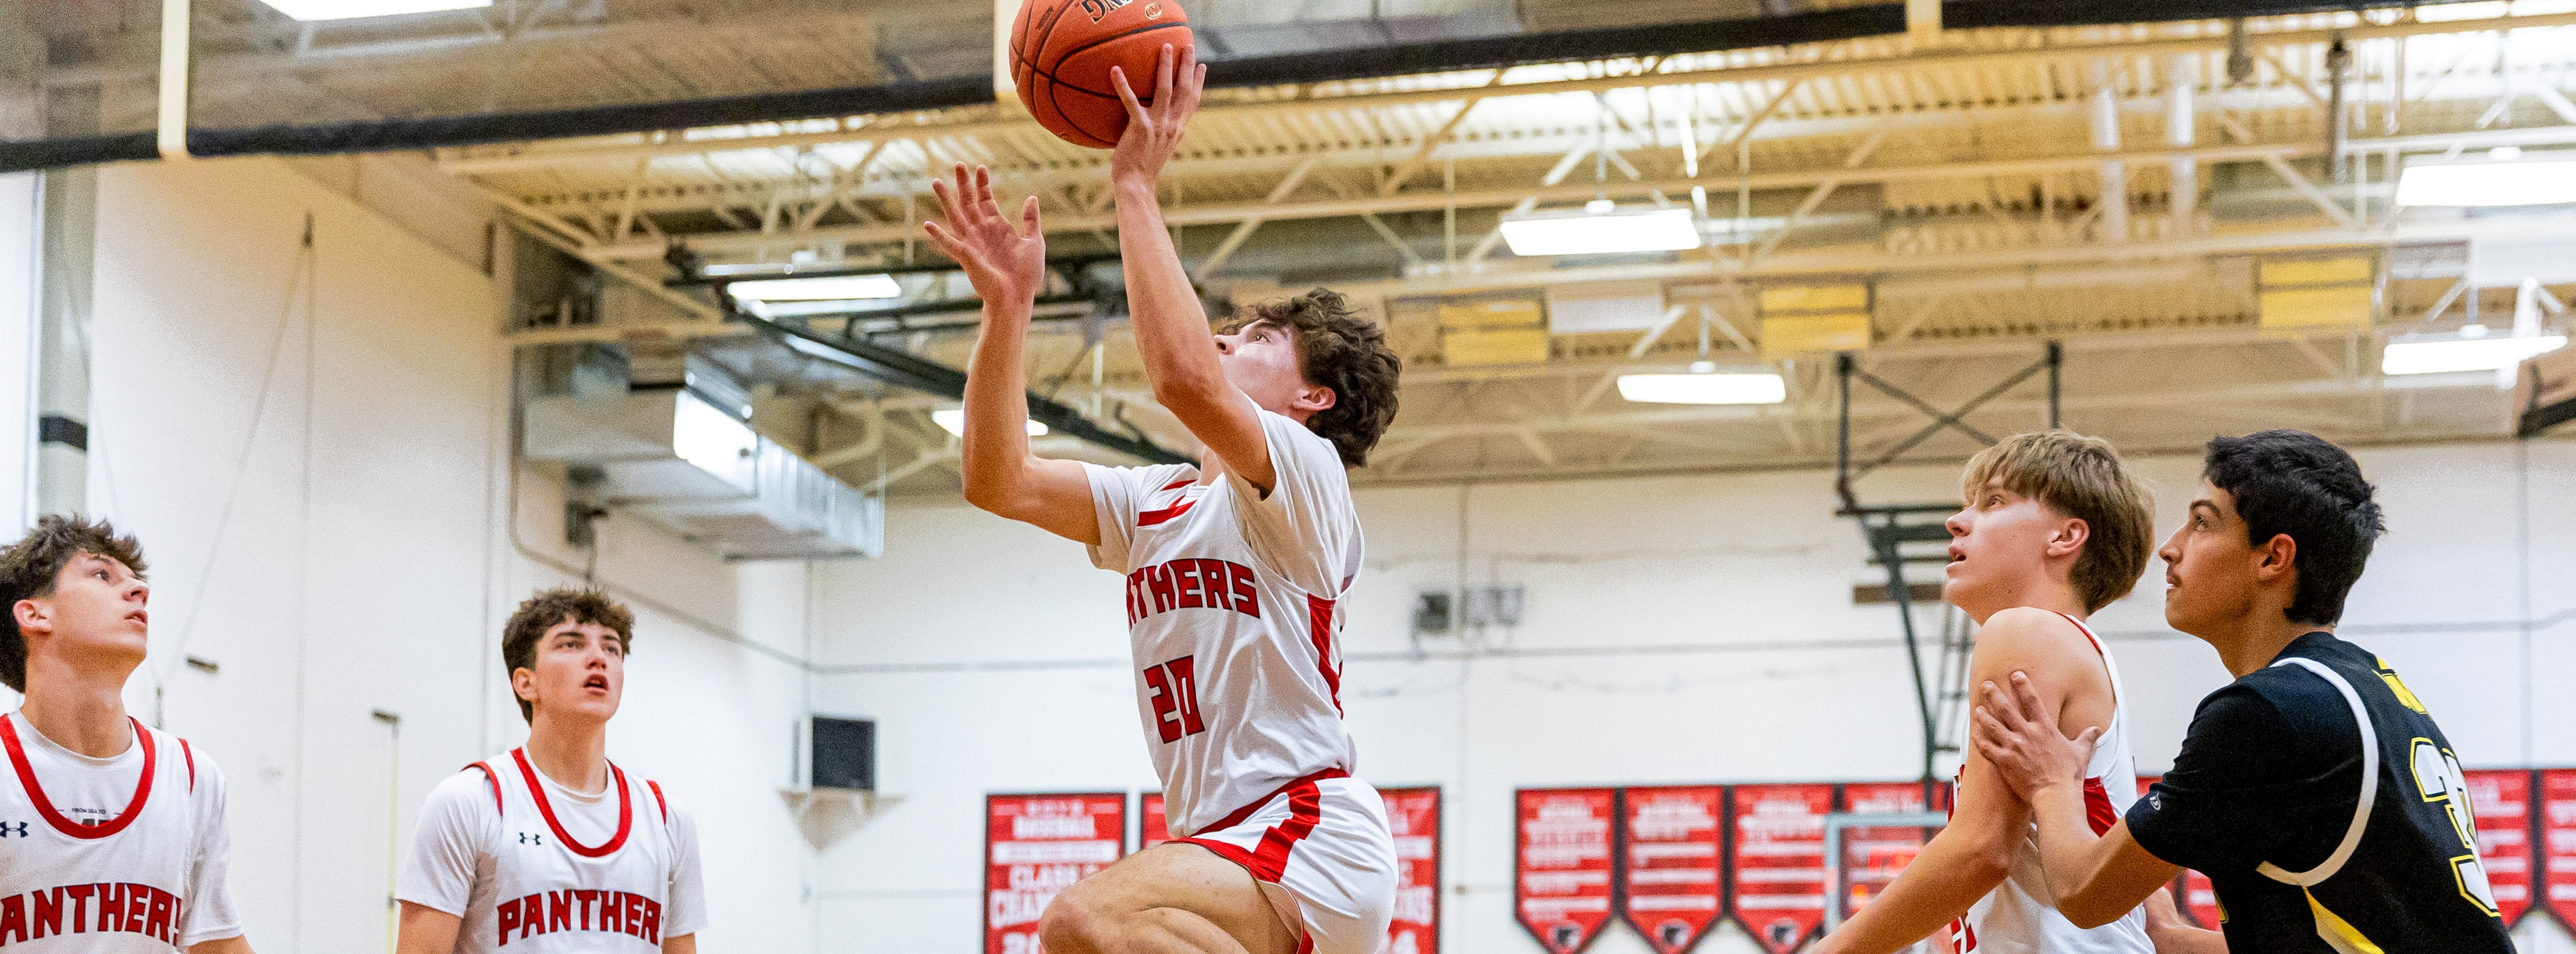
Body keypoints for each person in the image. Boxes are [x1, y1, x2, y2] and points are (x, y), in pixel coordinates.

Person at [922, 41, 1405, 954]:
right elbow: (999, 480)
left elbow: (1182, 377)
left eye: (1259, 337)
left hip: (1306, 829)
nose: (1228, 340)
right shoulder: (1157, 502)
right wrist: (1006, 314)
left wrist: (1135, 186)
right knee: (1074, 942)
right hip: (1221, 840)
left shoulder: (1306, 474)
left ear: (1315, 397)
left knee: (1086, 915)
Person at [1972, 429, 2514, 953]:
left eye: (2201, 523)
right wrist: (2166, 931)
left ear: (2272, 557)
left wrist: (2051, 783)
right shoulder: (2374, 689)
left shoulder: (2268, 714)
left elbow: (2084, 894)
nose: (2169, 548)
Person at [1811, 432, 2157, 954]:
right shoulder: (2073, 648)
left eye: (1993, 501)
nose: (1958, 519)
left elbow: (1981, 850)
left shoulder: (2024, 630)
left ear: (2065, 536)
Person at [395, 588, 705, 954]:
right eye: (571, 644)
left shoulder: (668, 819)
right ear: (526, 682)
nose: (598, 659)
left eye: (611, 648)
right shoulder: (468, 802)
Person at [0, 515, 253, 953]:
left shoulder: (192, 776)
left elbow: (218, 946)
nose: (140, 591)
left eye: (137, 580)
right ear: (35, 612)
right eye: (103, 574)